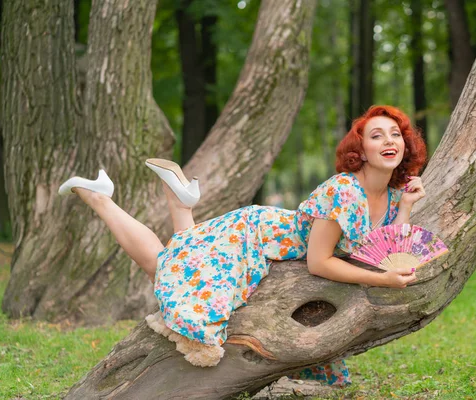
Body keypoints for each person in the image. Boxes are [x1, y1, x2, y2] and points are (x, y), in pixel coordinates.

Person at [58, 105, 427, 387]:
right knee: (163, 264)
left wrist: (407, 208)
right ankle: (99, 198)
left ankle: (178, 200)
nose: (389, 141)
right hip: (253, 234)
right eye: (376, 136)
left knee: (176, 261)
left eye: (395, 134)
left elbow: (388, 249)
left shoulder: (395, 196)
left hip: (271, 243)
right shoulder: (344, 190)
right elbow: (319, 262)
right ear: (360, 149)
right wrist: (385, 281)